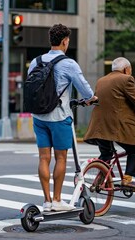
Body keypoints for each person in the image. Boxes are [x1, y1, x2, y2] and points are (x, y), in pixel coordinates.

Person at [27, 23, 97, 212]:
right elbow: (87, 91)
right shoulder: (68, 63)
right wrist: (91, 99)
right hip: (59, 117)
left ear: (51, 40)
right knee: (61, 158)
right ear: (65, 41)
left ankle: (47, 201)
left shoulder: (36, 61)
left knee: (43, 158)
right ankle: (57, 200)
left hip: (39, 116)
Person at [84, 57, 135, 189]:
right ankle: (127, 180)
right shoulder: (126, 79)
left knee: (107, 154)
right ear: (125, 69)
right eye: (130, 70)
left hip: (99, 126)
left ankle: (101, 176)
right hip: (116, 126)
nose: (131, 73)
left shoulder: (101, 80)